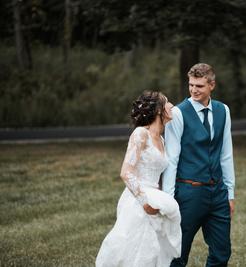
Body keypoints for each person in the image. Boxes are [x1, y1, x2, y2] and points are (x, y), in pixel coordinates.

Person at [96, 91, 181, 267]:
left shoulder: (162, 140)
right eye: (167, 102)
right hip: (138, 201)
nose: (172, 105)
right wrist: (145, 202)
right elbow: (126, 172)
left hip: (155, 200)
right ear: (158, 110)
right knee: (133, 252)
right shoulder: (141, 134)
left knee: (153, 253)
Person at [163, 63, 235, 267]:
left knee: (222, 253)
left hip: (218, 192)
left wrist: (230, 193)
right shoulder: (177, 113)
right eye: (191, 85)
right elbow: (172, 157)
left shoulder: (223, 110)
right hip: (189, 193)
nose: (194, 90)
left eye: (200, 86)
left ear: (212, 85)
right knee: (178, 254)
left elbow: (226, 154)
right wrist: (169, 200)